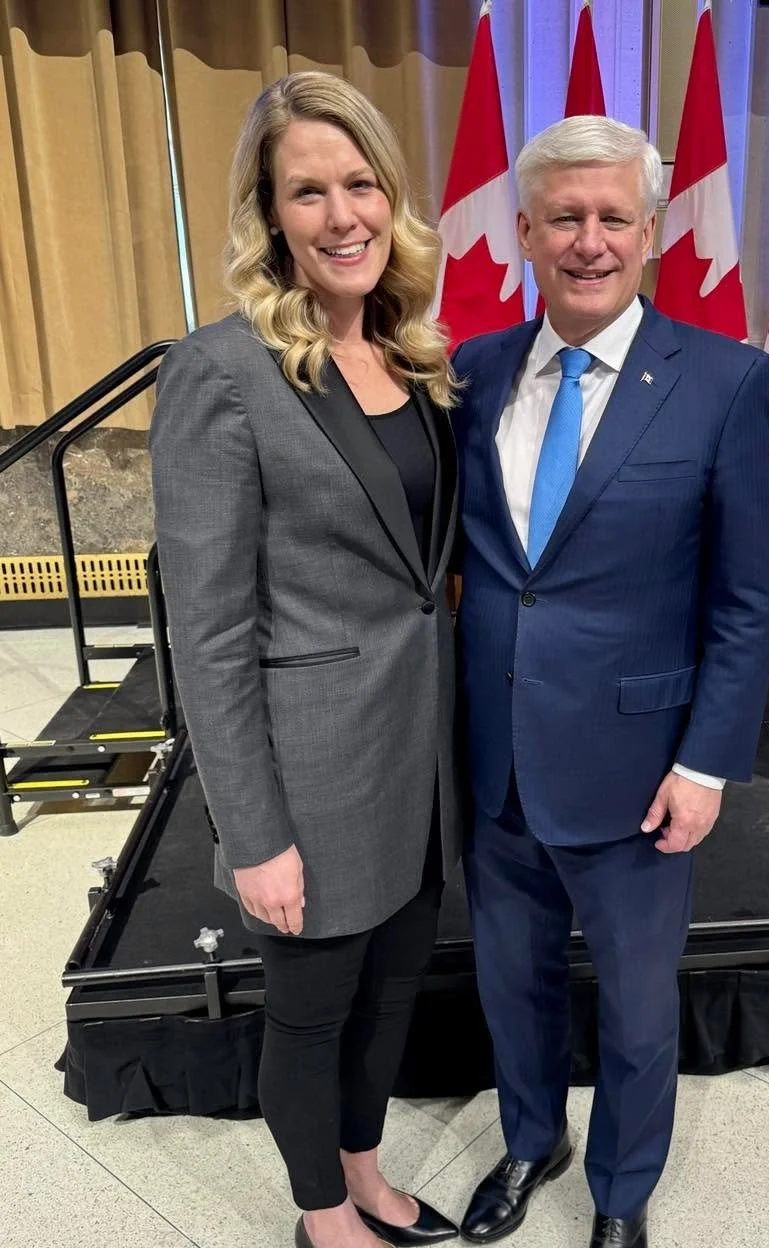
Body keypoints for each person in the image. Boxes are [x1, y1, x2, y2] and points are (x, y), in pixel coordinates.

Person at [451, 115, 769, 1248]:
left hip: (642, 773)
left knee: (638, 1011)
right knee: (514, 989)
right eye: (562, 219)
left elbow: (743, 598)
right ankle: (529, 1141)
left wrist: (705, 763)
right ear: (523, 232)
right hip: (492, 761)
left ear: (647, 232)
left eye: (610, 219)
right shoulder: (472, 370)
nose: (586, 241)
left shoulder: (726, 382)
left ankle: (619, 1195)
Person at [150, 72, 461, 1248]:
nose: (343, 216)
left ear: (390, 197)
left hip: (419, 755)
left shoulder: (414, 353)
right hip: (315, 773)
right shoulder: (221, 372)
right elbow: (212, 630)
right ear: (269, 216)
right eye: (307, 192)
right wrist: (253, 831)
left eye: (360, 184)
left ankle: (368, 1172)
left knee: (391, 995)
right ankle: (322, 1217)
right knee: (313, 1011)